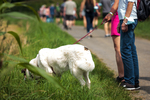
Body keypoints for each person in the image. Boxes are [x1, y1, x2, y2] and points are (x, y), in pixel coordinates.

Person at [118, 0, 140, 90]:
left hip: (129, 19)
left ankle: (130, 82)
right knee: (131, 50)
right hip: (127, 19)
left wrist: (125, 21)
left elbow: (130, 3)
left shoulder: (127, 19)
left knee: (125, 50)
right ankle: (134, 81)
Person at [103, 0, 124, 83]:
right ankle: (130, 76)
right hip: (124, 15)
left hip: (117, 15)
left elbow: (116, 2)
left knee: (118, 48)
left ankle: (122, 76)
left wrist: (110, 13)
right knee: (126, 48)